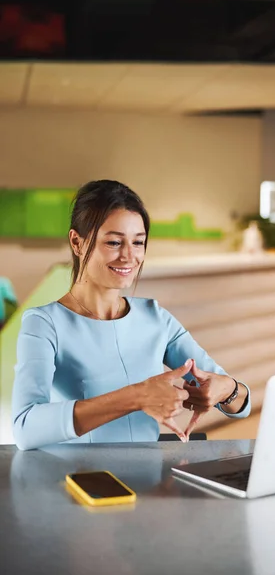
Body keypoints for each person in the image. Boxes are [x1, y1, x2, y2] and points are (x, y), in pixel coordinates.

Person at [12, 180, 251, 450]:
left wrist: (227, 389)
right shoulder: (44, 324)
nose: (129, 256)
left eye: (138, 242)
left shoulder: (156, 318)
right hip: (80, 478)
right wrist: (137, 396)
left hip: (147, 476)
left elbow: (238, 401)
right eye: (114, 242)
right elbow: (25, 427)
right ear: (77, 242)